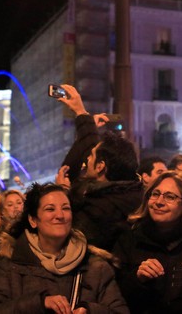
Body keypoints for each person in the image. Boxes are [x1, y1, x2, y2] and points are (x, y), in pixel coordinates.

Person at [0, 183, 128, 313]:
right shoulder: (10, 263)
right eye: (50, 209)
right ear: (33, 220)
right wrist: (39, 303)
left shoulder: (95, 266)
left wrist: (89, 310)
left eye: (65, 208)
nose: (60, 215)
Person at [112, 171, 182, 313]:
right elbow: (112, 296)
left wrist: (175, 304)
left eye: (170, 197)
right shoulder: (129, 239)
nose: (159, 202)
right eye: (155, 194)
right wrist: (137, 279)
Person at [56, 84, 144, 251]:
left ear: (100, 167)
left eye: (91, 156)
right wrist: (85, 122)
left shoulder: (96, 208)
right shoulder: (130, 196)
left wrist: (62, 192)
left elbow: (69, 240)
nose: (86, 158)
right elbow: (90, 149)